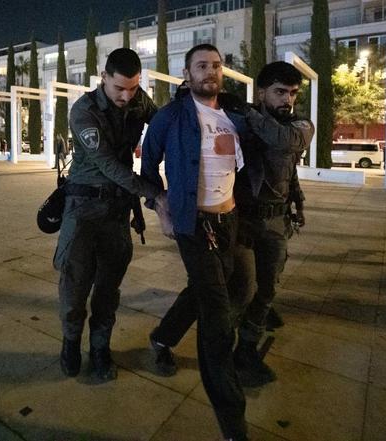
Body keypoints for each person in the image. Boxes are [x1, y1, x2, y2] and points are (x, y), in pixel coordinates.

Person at [141, 44, 249, 441]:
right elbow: (148, 167)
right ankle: (232, 422)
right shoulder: (171, 116)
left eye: (216, 65)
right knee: (217, 318)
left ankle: (162, 337)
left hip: (229, 219)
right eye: (201, 66)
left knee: (207, 290)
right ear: (187, 74)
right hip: (194, 222)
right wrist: (161, 207)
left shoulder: (234, 114)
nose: (210, 71)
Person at [55, 48, 160, 383]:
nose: (127, 96)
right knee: (75, 287)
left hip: (116, 211)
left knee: (108, 289)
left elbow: (163, 124)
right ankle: (71, 342)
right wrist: (155, 193)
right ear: (104, 78)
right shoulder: (83, 111)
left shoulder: (138, 101)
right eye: (120, 88)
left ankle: (100, 348)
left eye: (134, 88)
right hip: (83, 211)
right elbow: (109, 165)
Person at [224, 61, 313, 388]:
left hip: (275, 221)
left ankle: (246, 349)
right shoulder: (242, 122)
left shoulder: (298, 126)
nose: (288, 99)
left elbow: (286, 150)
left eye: (292, 93)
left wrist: (297, 200)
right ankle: (221, 349)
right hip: (243, 220)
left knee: (267, 289)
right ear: (262, 92)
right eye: (280, 92)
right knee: (241, 290)